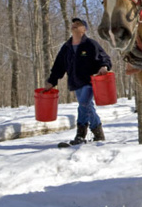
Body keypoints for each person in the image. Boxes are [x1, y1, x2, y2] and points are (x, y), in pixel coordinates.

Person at [44, 17, 112, 145]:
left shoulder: (91, 44)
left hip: (89, 81)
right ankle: (98, 133)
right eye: (73, 24)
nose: (74, 25)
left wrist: (104, 66)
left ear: (84, 29)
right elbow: (59, 66)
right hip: (75, 82)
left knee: (84, 105)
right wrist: (51, 82)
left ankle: (80, 135)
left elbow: (104, 58)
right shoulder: (67, 47)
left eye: (78, 24)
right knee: (87, 106)